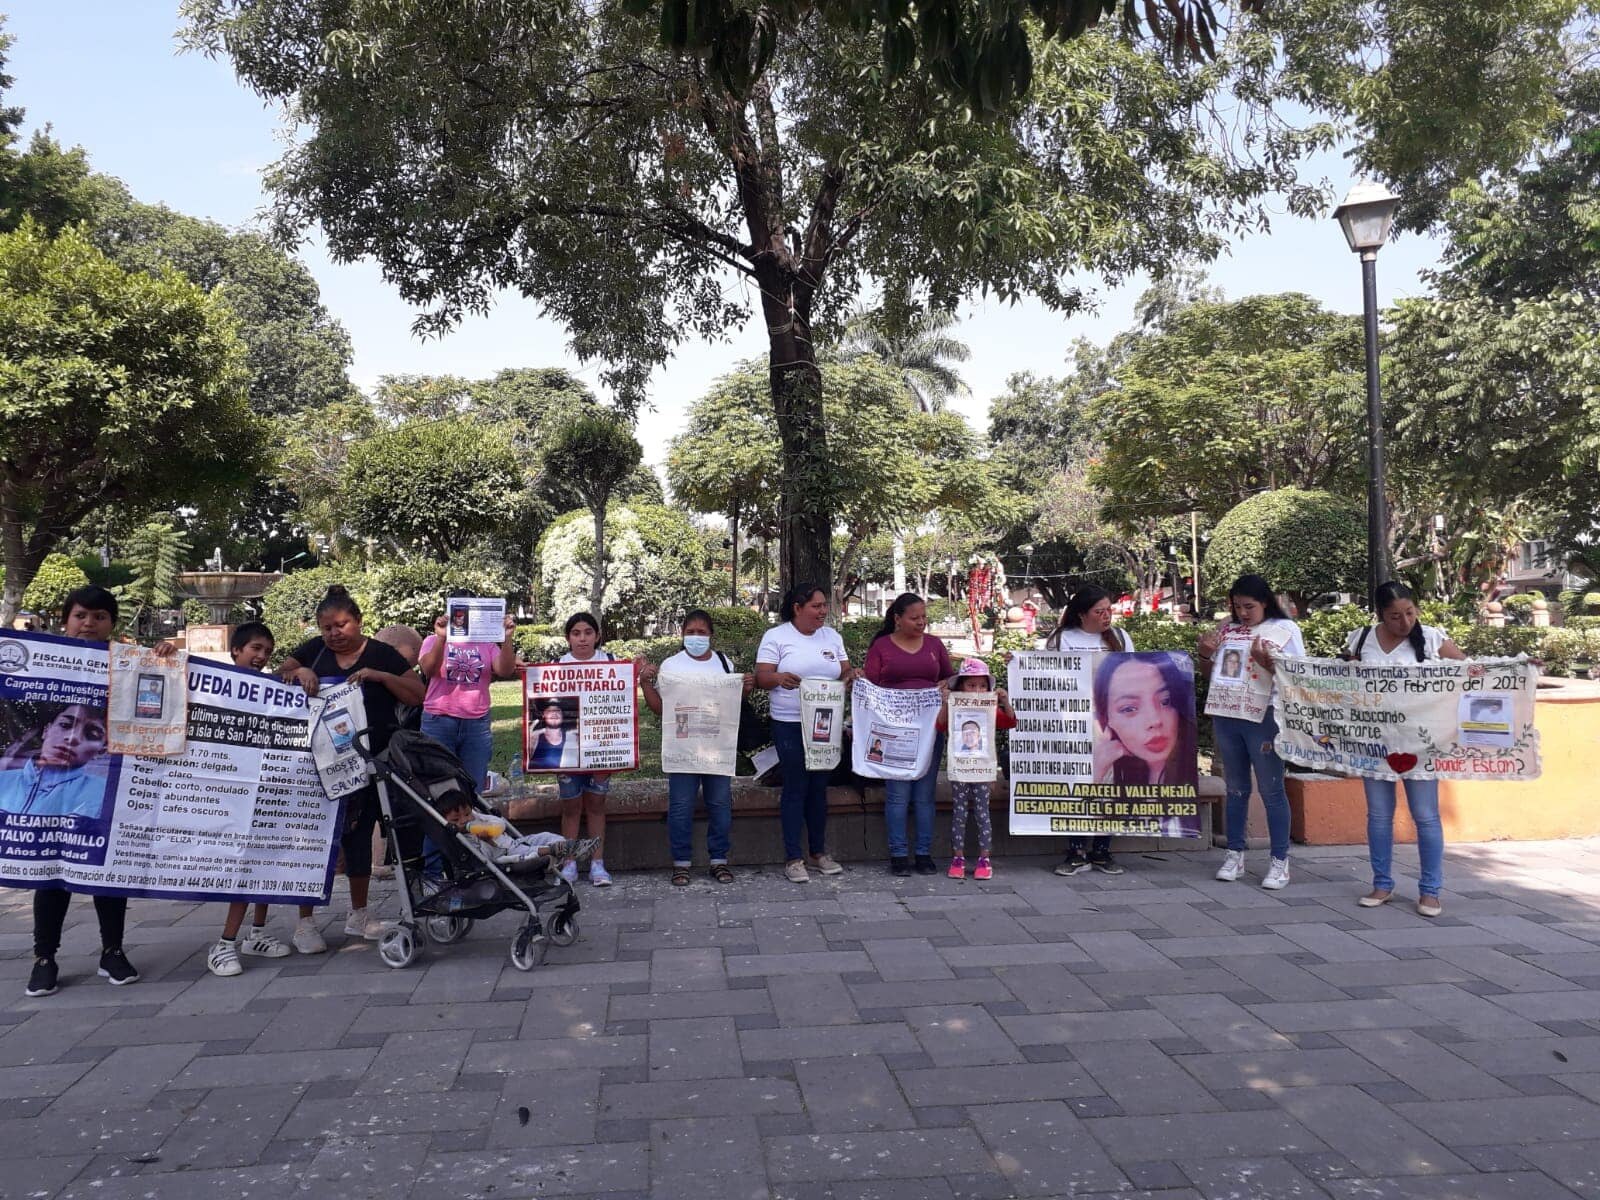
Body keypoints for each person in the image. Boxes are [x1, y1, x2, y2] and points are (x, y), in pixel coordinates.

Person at [278, 585, 425, 941]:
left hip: (373, 760)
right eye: (326, 627)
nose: (334, 633)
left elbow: (417, 694)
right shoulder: (313, 652)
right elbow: (282, 671)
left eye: (341, 625)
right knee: (314, 837)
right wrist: (300, 674)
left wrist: (381, 677)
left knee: (361, 836)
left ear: (358, 622)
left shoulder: (382, 654)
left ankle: (359, 914)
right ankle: (306, 921)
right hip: (320, 762)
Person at [23, 586, 138, 998]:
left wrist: (164, 659)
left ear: (112, 623)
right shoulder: (41, 660)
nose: (89, 623)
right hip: (51, 788)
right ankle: (44, 958)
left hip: (108, 782)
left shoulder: (127, 663)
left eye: (100, 617)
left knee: (107, 869)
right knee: (49, 871)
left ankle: (113, 951)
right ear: (66, 618)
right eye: (81, 615)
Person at [1343, 581, 1465, 918]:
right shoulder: (1362, 638)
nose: (1405, 621)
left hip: (1421, 744)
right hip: (1374, 741)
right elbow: (1342, 683)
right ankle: (1382, 883)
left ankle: (1430, 891)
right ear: (1381, 614)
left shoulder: (1434, 638)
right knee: (1379, 817)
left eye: (1410, 613)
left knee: (1425, 816)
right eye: (1395, 616)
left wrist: (1520, 669)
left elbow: (1471, 673)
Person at [205, 622, 315, 975]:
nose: (261, 656)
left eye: (267, 651)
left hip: (265, 786)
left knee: (264, 858)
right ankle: (224, 943)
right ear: (236, 650)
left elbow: (294, 679)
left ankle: (257, 933)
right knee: (242, 866)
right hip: (226, 791)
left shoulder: (271, 686)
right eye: (255, 648)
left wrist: (300, 670)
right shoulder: (214, 680)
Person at [1196, 574, 1305, 890]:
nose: (1243, 613)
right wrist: (1205, 654)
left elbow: (1297, 677)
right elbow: (1211, 674)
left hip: (1265, 717)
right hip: (1227, 714)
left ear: (1265, 603)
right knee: (1236, 788)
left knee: (1271, 789)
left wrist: (1268, 663)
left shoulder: (1284, 630)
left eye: (1249, 606)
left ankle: (1279, 861)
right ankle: (1234, 853)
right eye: (1237, 606)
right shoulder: (1227, 630)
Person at [638, 609, 752, 885]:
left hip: (715, 747)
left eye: (701, 632)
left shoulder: (724, 663)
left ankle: (719, 860)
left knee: (720, 804)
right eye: (691, 632)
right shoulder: (671, 666)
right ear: (682, 634)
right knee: (680, 805)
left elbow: (730, 703)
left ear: (711, 635)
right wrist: (644, 682)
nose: (696, 637)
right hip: (683, 748)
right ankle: (681, 863)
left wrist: (745, 689)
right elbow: (660, 709)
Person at [755, 583, 854, 883]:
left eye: (825, 606)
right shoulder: (777, 636)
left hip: (825, 722)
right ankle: (793, 857)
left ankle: (818, 852)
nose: (823, 611)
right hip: (789, 721)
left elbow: (845, 671)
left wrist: (852, 676)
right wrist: (778, 678)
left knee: (818, 786)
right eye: (817, 606)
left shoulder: (832, 637)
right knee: (796, 785)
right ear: (798, 608)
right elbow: (761, 677)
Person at [1047, 586, 1135, 876]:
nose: (1107, 616)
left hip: (1109, 726)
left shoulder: (1121, 638)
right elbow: (1041, 673)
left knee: (1108, 785)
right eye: (1099, 611)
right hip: (1072, 723)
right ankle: (1075, 850)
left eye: (1110, 609)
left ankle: (1102, 850)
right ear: (1081, 614)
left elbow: (1133, 674)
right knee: (1076, 785)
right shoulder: (1061, 640)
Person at [546, 613, 638, 887]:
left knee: (596, 805)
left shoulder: (611, 663)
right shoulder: (555, 666)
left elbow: (626, 700)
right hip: (568, 749)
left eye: (588, 632)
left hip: (602, 746)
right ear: (568, 638)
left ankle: (598, 863)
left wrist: (640, 672)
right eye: (576, 633)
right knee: (571, 807)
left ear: (597, 635)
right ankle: (570, 862)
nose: (582, 638)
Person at [864, 592, 952, 877]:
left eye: (924, 617)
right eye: (915, 618)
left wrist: (946, 686)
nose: (921, 623)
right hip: (894, 730)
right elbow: (871, 687)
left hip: (929, 728)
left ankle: (924, 853)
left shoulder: (935, 645)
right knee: (898, 794)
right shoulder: (881, 646)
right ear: (897, 619)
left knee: (925, 794)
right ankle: (898, 854)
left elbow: (951, 677)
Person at [938, 657, 1016, 881]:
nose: (977, 690)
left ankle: (984, 858)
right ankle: (958, 858)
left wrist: (1005, 701)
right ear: (961, 686)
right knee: (959, 814)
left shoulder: (989, 709)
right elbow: (940, 725)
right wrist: (946, 702)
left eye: (982, 686)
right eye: (971, 685)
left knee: (983, 814)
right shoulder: (955, 706)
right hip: (960, 770)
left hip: (982, 770)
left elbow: (1010, 722)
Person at [1092, 653, 1196, 786]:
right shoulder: (1113, 776)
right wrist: (1095, 772)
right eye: (1129, 709)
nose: (1154, 721)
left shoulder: (1188, 777)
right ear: (1108, 720)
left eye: (1165, 701)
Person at [0, 704, 110, 817]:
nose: (73, 737)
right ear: (46, 730)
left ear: (101, 750)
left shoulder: (105, 794)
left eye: (93, 735)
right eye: (65, 725)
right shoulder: (2, 780)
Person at [528, 698, 572, 769]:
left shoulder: (572, 737)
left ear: (562, 715)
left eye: (558, 710)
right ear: (543, 714)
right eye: (550, 710)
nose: (554, 713)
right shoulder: (534, 737)